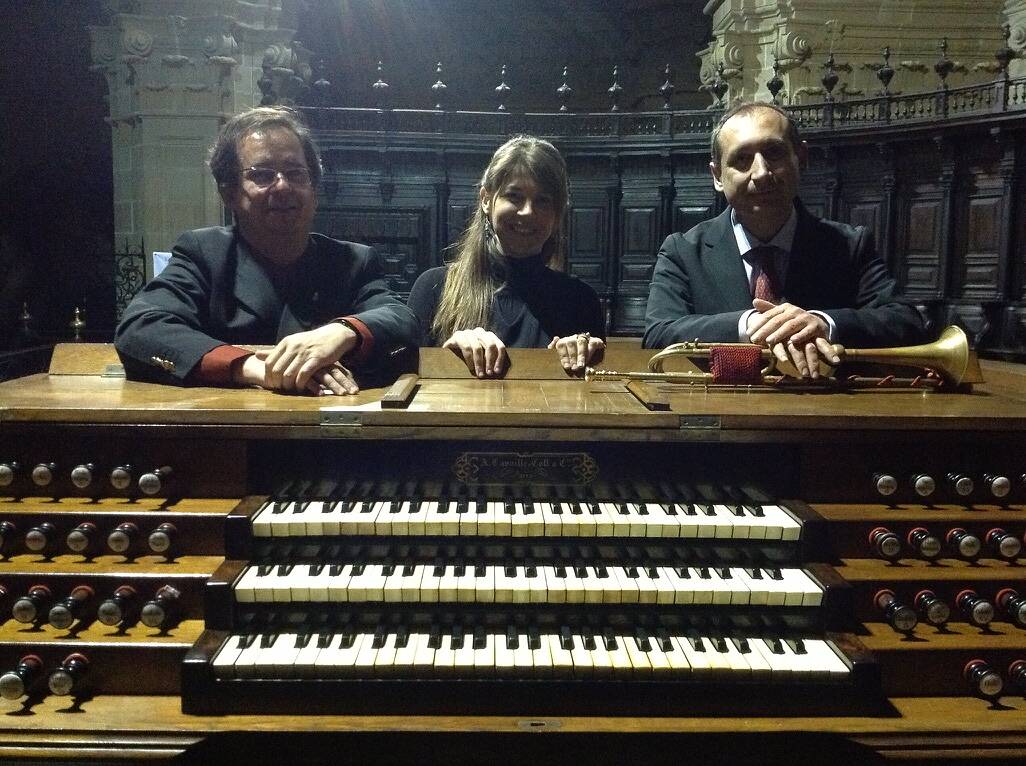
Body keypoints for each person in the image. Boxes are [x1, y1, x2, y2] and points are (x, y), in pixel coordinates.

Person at [115, 106, 418, 395]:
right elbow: (141, 328)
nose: (283, 186)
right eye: (262, 175)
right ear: (228, 192)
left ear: (314, 190)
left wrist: (341, 332)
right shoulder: (204, 254)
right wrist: (250, 367)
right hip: (228, 427)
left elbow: (401, 320)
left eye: (296, 173)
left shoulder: (353, 261)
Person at [643, 101, 926, 377]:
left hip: (827, 404)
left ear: (801, 159)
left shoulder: (851, 245)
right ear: (717, 176)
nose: (761, 173)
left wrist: (825, 323)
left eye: (774, 153)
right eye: (742, 159)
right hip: (719, 404)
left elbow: (906, 322)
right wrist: (750, 325)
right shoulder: (682, 251)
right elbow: (659, 333)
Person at [407, 135, 605, 378]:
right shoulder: (434, 287)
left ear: (557, 214)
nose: (527, 211)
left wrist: (582, 355)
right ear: (486, 200)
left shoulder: (581, 301)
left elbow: (597, 393)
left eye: (543, 201)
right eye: (514, 196)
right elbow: (403, 377)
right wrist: (447, 353)